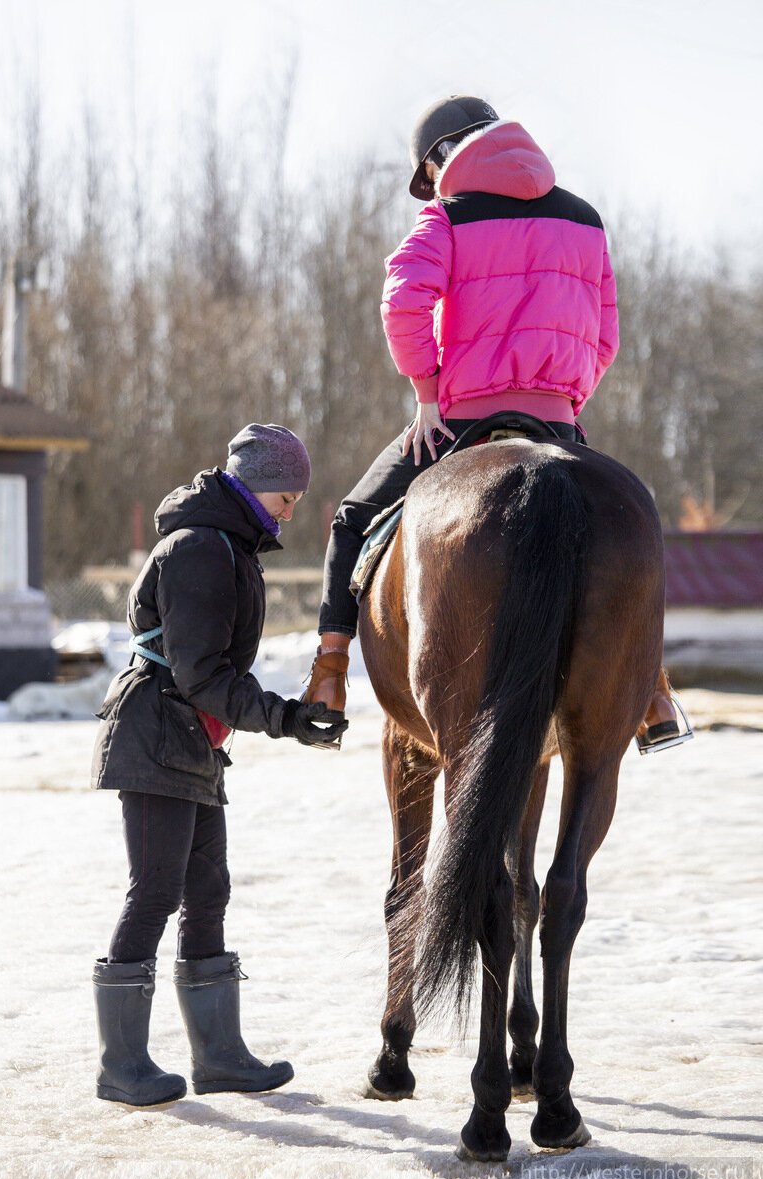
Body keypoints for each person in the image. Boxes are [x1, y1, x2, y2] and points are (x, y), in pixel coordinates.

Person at [304, 94, 681, 751]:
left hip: (458, 420)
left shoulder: (446, 217)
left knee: (354, 516)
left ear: (443, 156)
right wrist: (564, 400)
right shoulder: (585, 219)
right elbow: (607, 332)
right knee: (632, 517)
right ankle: (654, 692)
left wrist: (427, 394)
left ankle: (328, 675)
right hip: (556, 422)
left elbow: (403, 302)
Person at [90, 424, 347, 1107]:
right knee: (154, 892)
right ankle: (122, 1067)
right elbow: (203, 672)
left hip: (191, 739)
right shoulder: (202, 548)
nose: (290, 511)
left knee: (208, 891)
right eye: (288, 497)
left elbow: (208, 677)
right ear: (257, 485)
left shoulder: (226, 544)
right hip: (157, 735)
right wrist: (288, 719)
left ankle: (220, 1057)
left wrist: (280, 718)